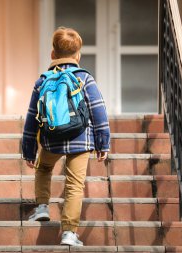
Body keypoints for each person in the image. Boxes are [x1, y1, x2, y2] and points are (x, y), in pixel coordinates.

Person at [22, 27, 110, 246]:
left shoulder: (42, 81)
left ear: (52, 54)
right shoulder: (84, 78)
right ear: (78, 55)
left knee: (43, 168)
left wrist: (29, 149)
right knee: (74, 185)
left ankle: (42, 207)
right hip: (81, 140)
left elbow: (32, 118)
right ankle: (69, 232)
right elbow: (99, 110)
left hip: (52, 139)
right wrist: (103, 143)